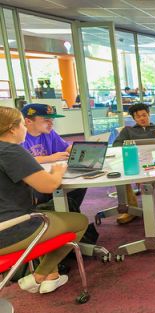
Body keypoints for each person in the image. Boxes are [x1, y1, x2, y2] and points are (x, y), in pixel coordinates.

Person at [0, 106, 88, 294]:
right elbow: (48, 186)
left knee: (46, 213)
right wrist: (57, 172)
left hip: (7, 224)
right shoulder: (11, 151)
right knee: (79, 221)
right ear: (12, 129)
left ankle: (50, 275)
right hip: (10, 230)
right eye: (23, 124)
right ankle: (40, 275)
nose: (24, 128)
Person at [111, 103, 155, 224]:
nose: (142, 118)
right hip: (134, 160)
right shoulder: (128, 131)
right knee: (119, 171)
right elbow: (116, 145)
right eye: (138, 117)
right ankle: (132, 208)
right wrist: (131, 146)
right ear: (134, 119)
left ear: (149, 115)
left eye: (144, 115)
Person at [21, 104, 87, 215]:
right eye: (46, 120)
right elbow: (20, 161)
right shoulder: (20, 137)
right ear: (28, 121)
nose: (51, 123)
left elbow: (66, 148)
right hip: (33, 180)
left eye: (52, 119)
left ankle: (67, 213)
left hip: (50, 173)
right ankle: (49, 213)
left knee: (80, 183)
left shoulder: (49, 133)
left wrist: (80, 150)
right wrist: (49, 158)